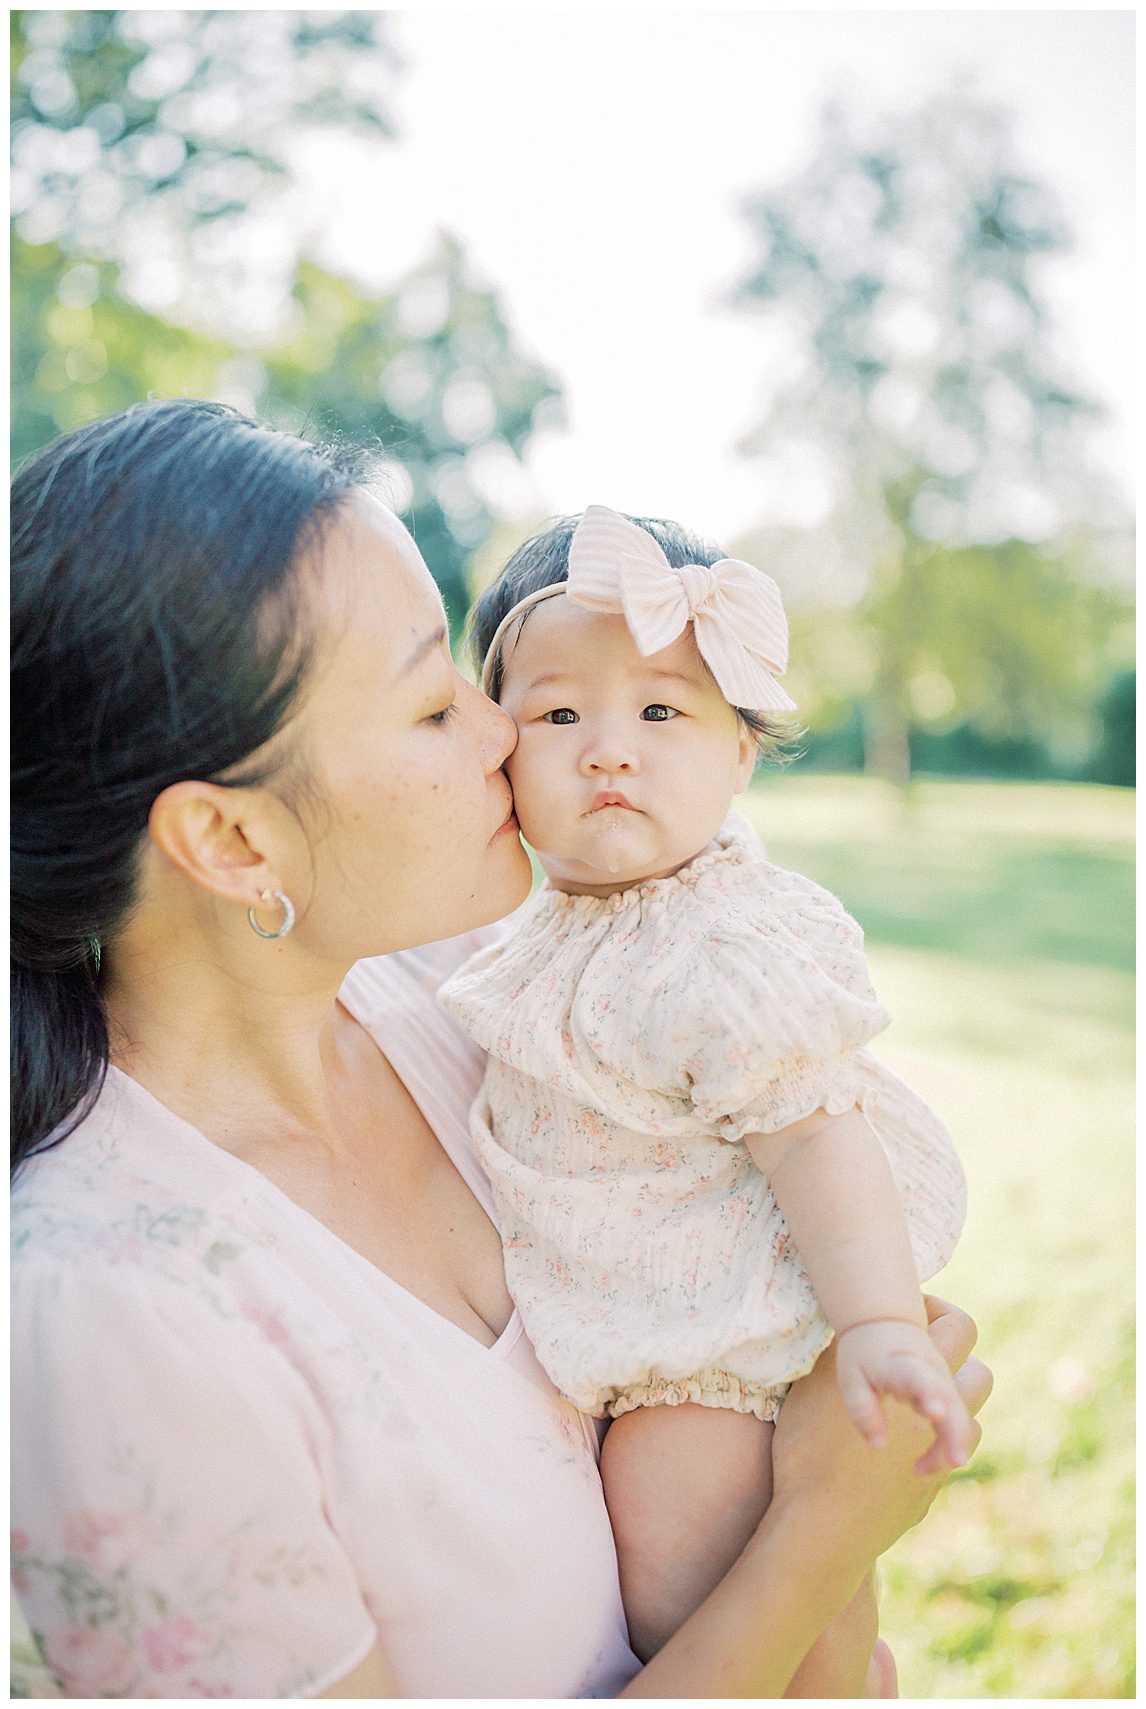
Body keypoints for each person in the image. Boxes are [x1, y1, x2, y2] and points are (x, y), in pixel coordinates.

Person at [11, 401, 990, 1700]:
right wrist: (820, 1534)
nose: (508, 737)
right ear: (236, 845)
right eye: (435, 708)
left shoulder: (461, 1004)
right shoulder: (110, 1323)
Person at [440, 504, 970, 1676]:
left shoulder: (721, 945)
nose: (610, 748)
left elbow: (818, 1137)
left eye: (662, 709)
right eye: (560, 712)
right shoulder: (540, 933)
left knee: (698, 1590)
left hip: (708, 1355)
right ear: (496, 750)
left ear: (741, 750)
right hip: (631, 1332)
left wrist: (880, 1323)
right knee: (786, 1617)